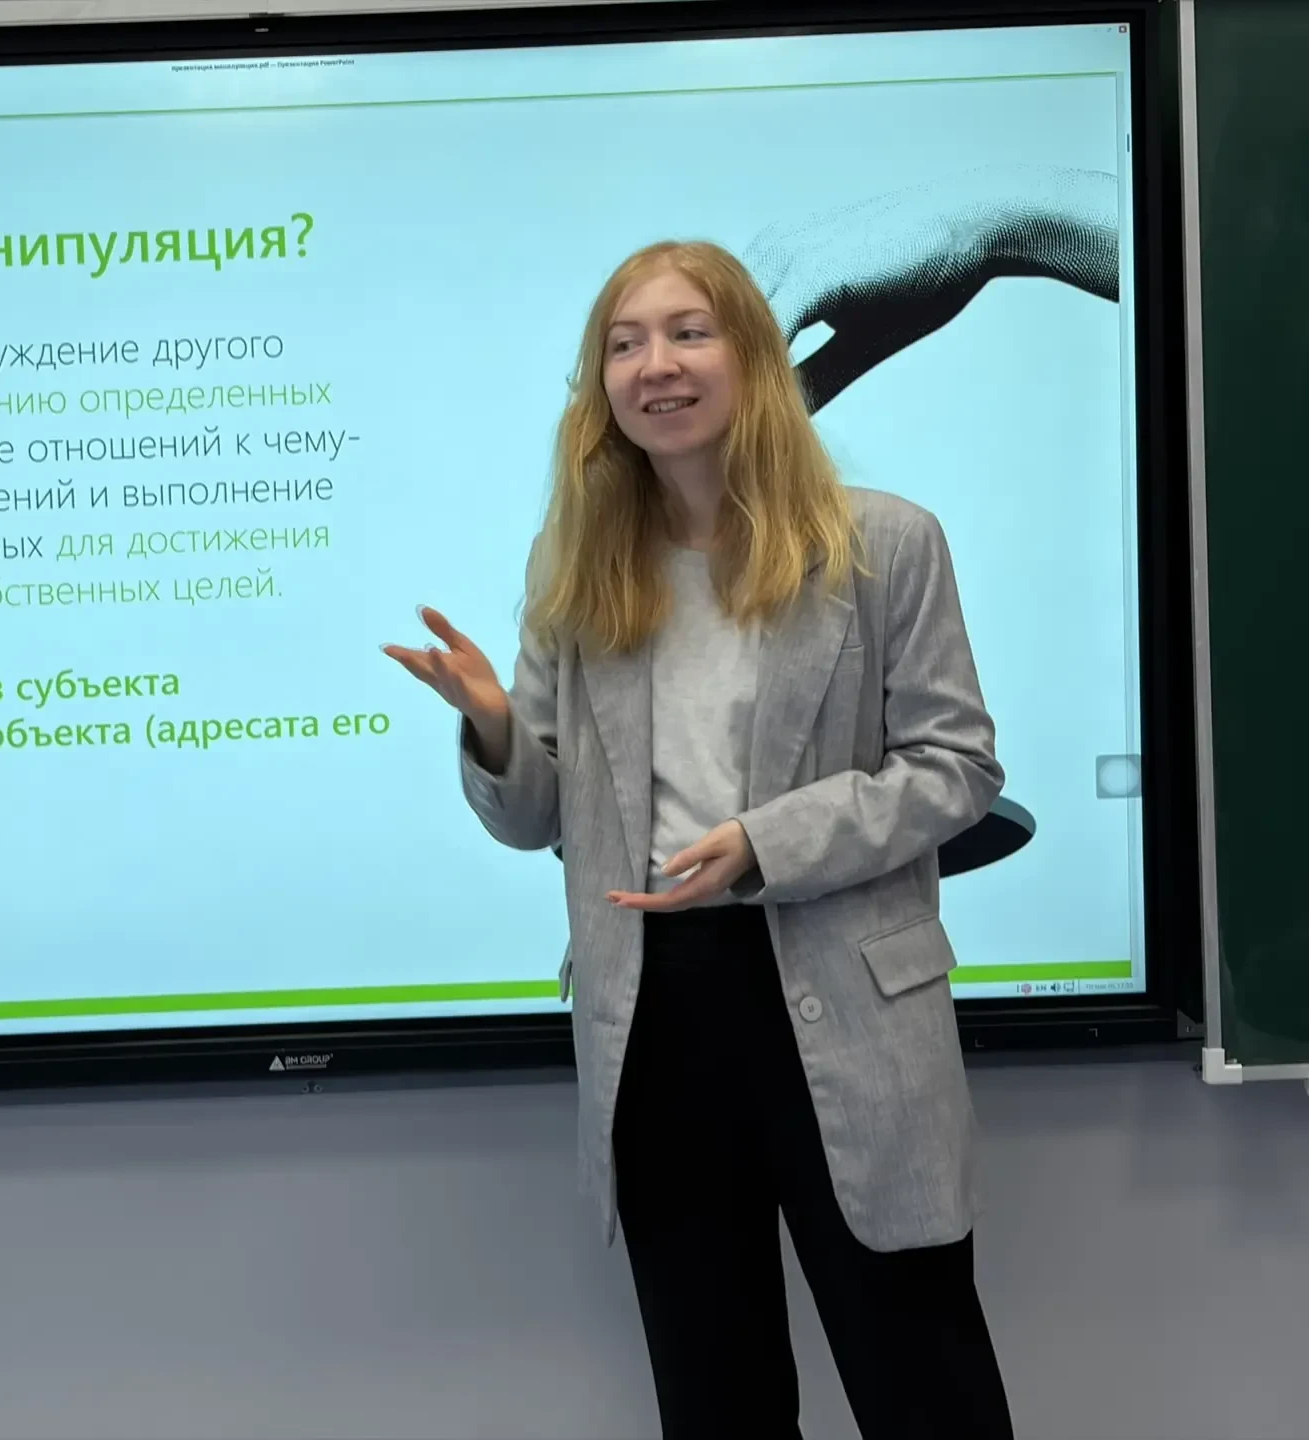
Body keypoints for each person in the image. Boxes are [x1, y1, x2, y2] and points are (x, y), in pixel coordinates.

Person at [384, 238, 1017, 1438]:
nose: (655, 366)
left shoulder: (883, 543)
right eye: (624, 345)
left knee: (925, 1385)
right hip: (656, 1015)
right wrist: (497, 730)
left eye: (688, 333)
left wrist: (765, 843)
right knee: (715, 1398)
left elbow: (958, 768)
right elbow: (535, 821)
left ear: (755, 357)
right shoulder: (579, 567)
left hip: (846, 998)